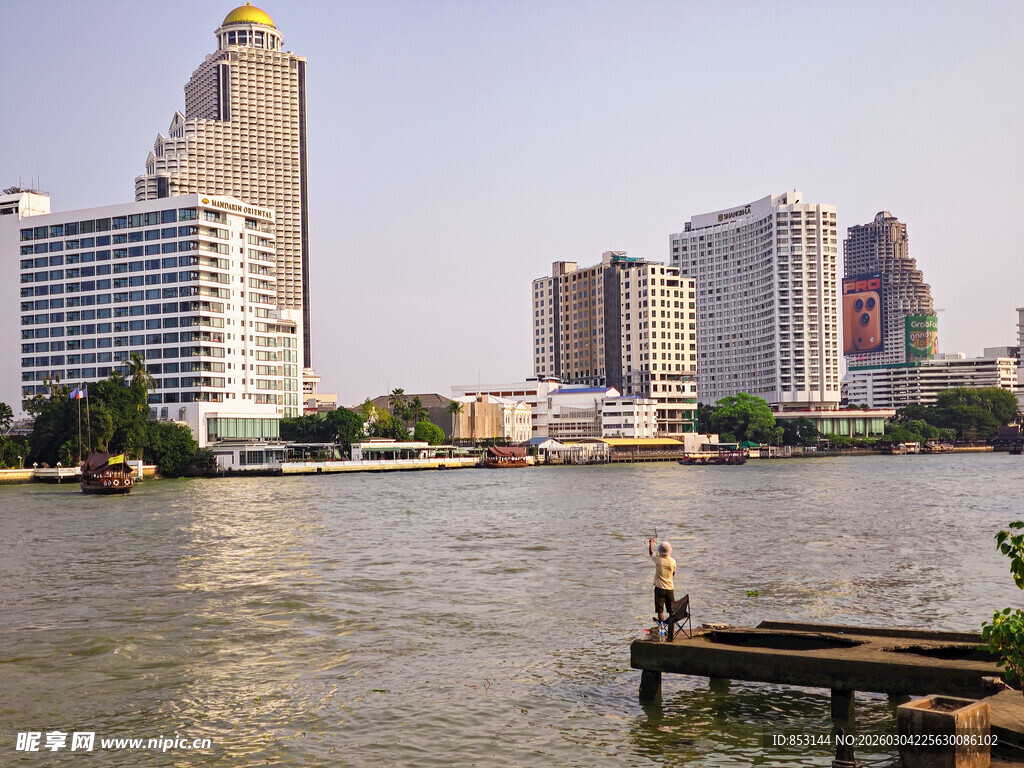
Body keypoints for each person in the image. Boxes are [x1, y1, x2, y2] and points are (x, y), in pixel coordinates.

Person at [649, 538, 676, 624]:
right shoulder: (673, 561)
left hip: (659, 588)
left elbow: (651, 553)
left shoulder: (658, 560)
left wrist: (651, 543)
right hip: (670, 589)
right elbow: (673, 574)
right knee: (671, 611)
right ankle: (673, 631)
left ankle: (662, 628)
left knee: (660, 610)